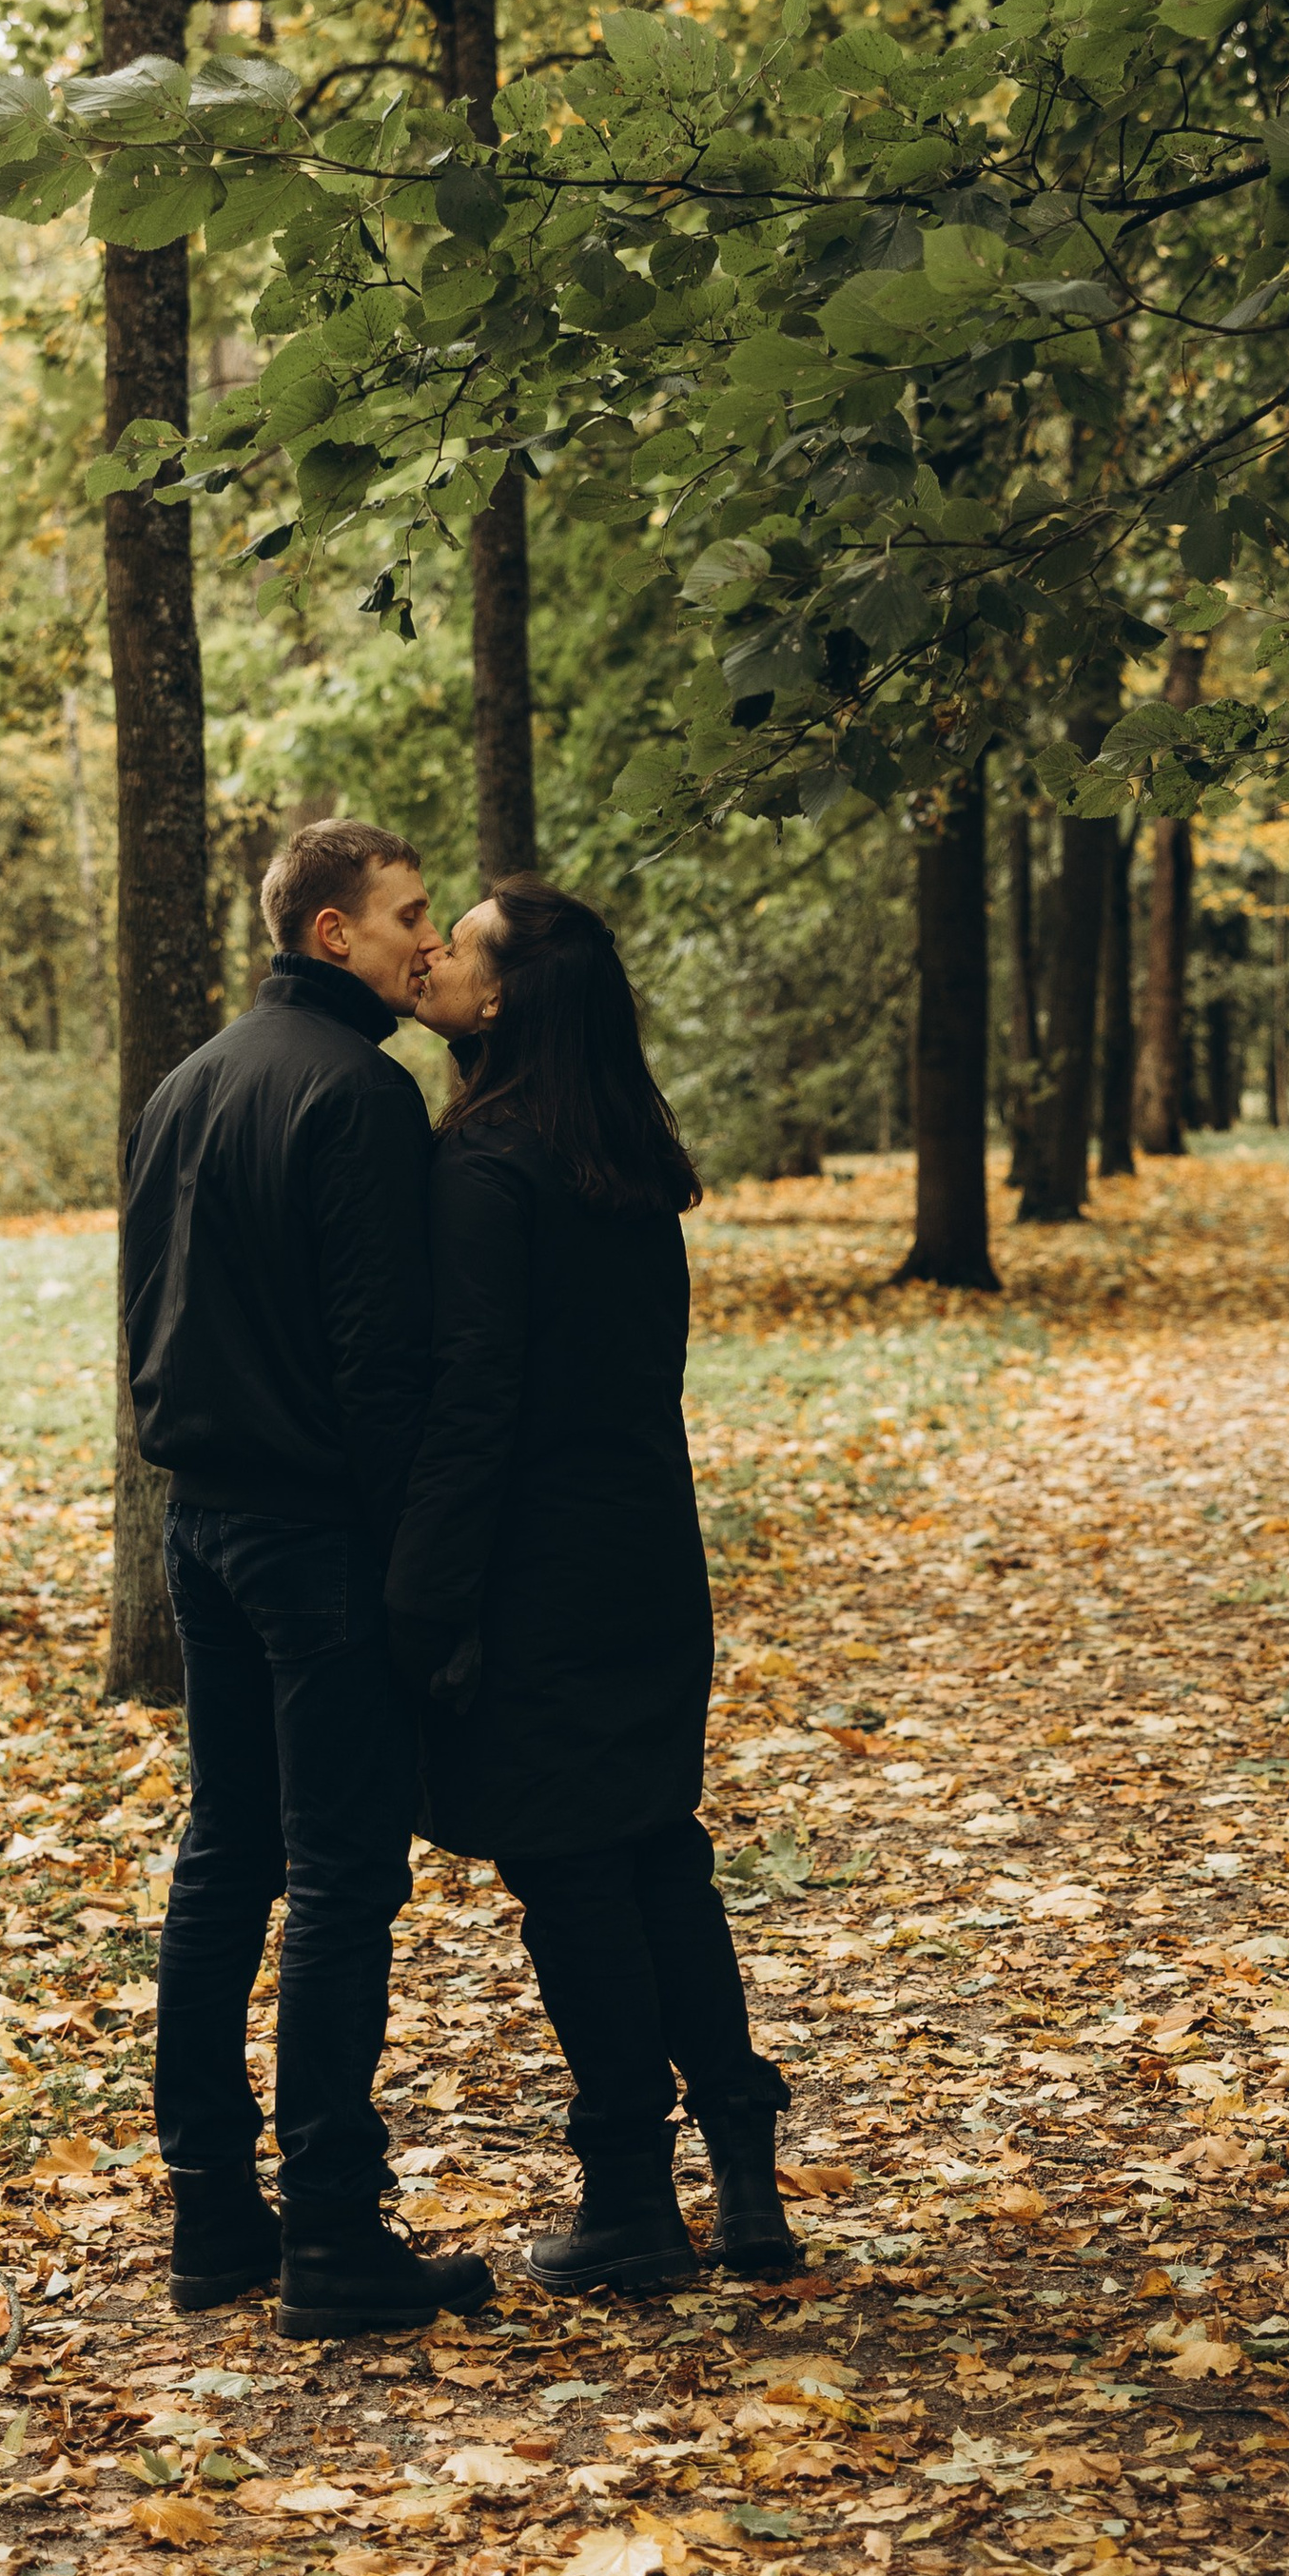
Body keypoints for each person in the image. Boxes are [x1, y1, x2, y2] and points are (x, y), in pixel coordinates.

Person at [392, 877, 800, 2294]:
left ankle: (630, 2188)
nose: (434, 954)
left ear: (501, 999)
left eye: (465, 944)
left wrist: (424, 1603)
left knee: (572, 1872)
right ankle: (743, 2168)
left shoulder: (486, 1170)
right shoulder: (621, 1159)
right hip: (647, 1559)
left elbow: (474, 1403)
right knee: (654, 1849)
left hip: (540, 1576)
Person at [124, 817, 495, 2338]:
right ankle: (336, 2232)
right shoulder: (360, 1095)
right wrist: (426, 1576)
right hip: (314, 1537)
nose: (431, 941)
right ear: (331, 935)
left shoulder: (187, 1083)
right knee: (341, 1875)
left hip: (199, 1523)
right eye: (411, 915)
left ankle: (214, 2216)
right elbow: (380, 1370)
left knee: (228, 1854)